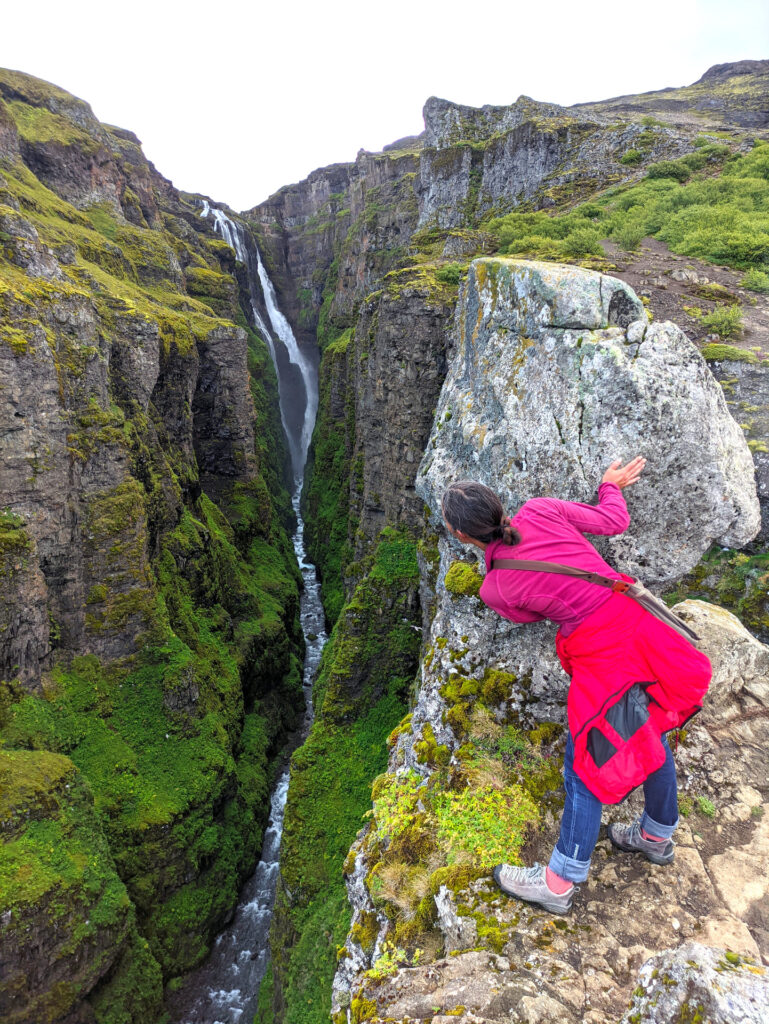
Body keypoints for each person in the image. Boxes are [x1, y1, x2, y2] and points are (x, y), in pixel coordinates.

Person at [440, 458, 712, 915]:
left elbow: (531, 615)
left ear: (462, 536)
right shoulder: (541, 509)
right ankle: (655, 834)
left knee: (585, 759)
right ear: (500, 508)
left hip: (605, 653)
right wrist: (609, 485)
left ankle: (559, 880)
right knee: (648, 727)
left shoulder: (496, 588)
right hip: (641, 623)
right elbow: (614, 521)